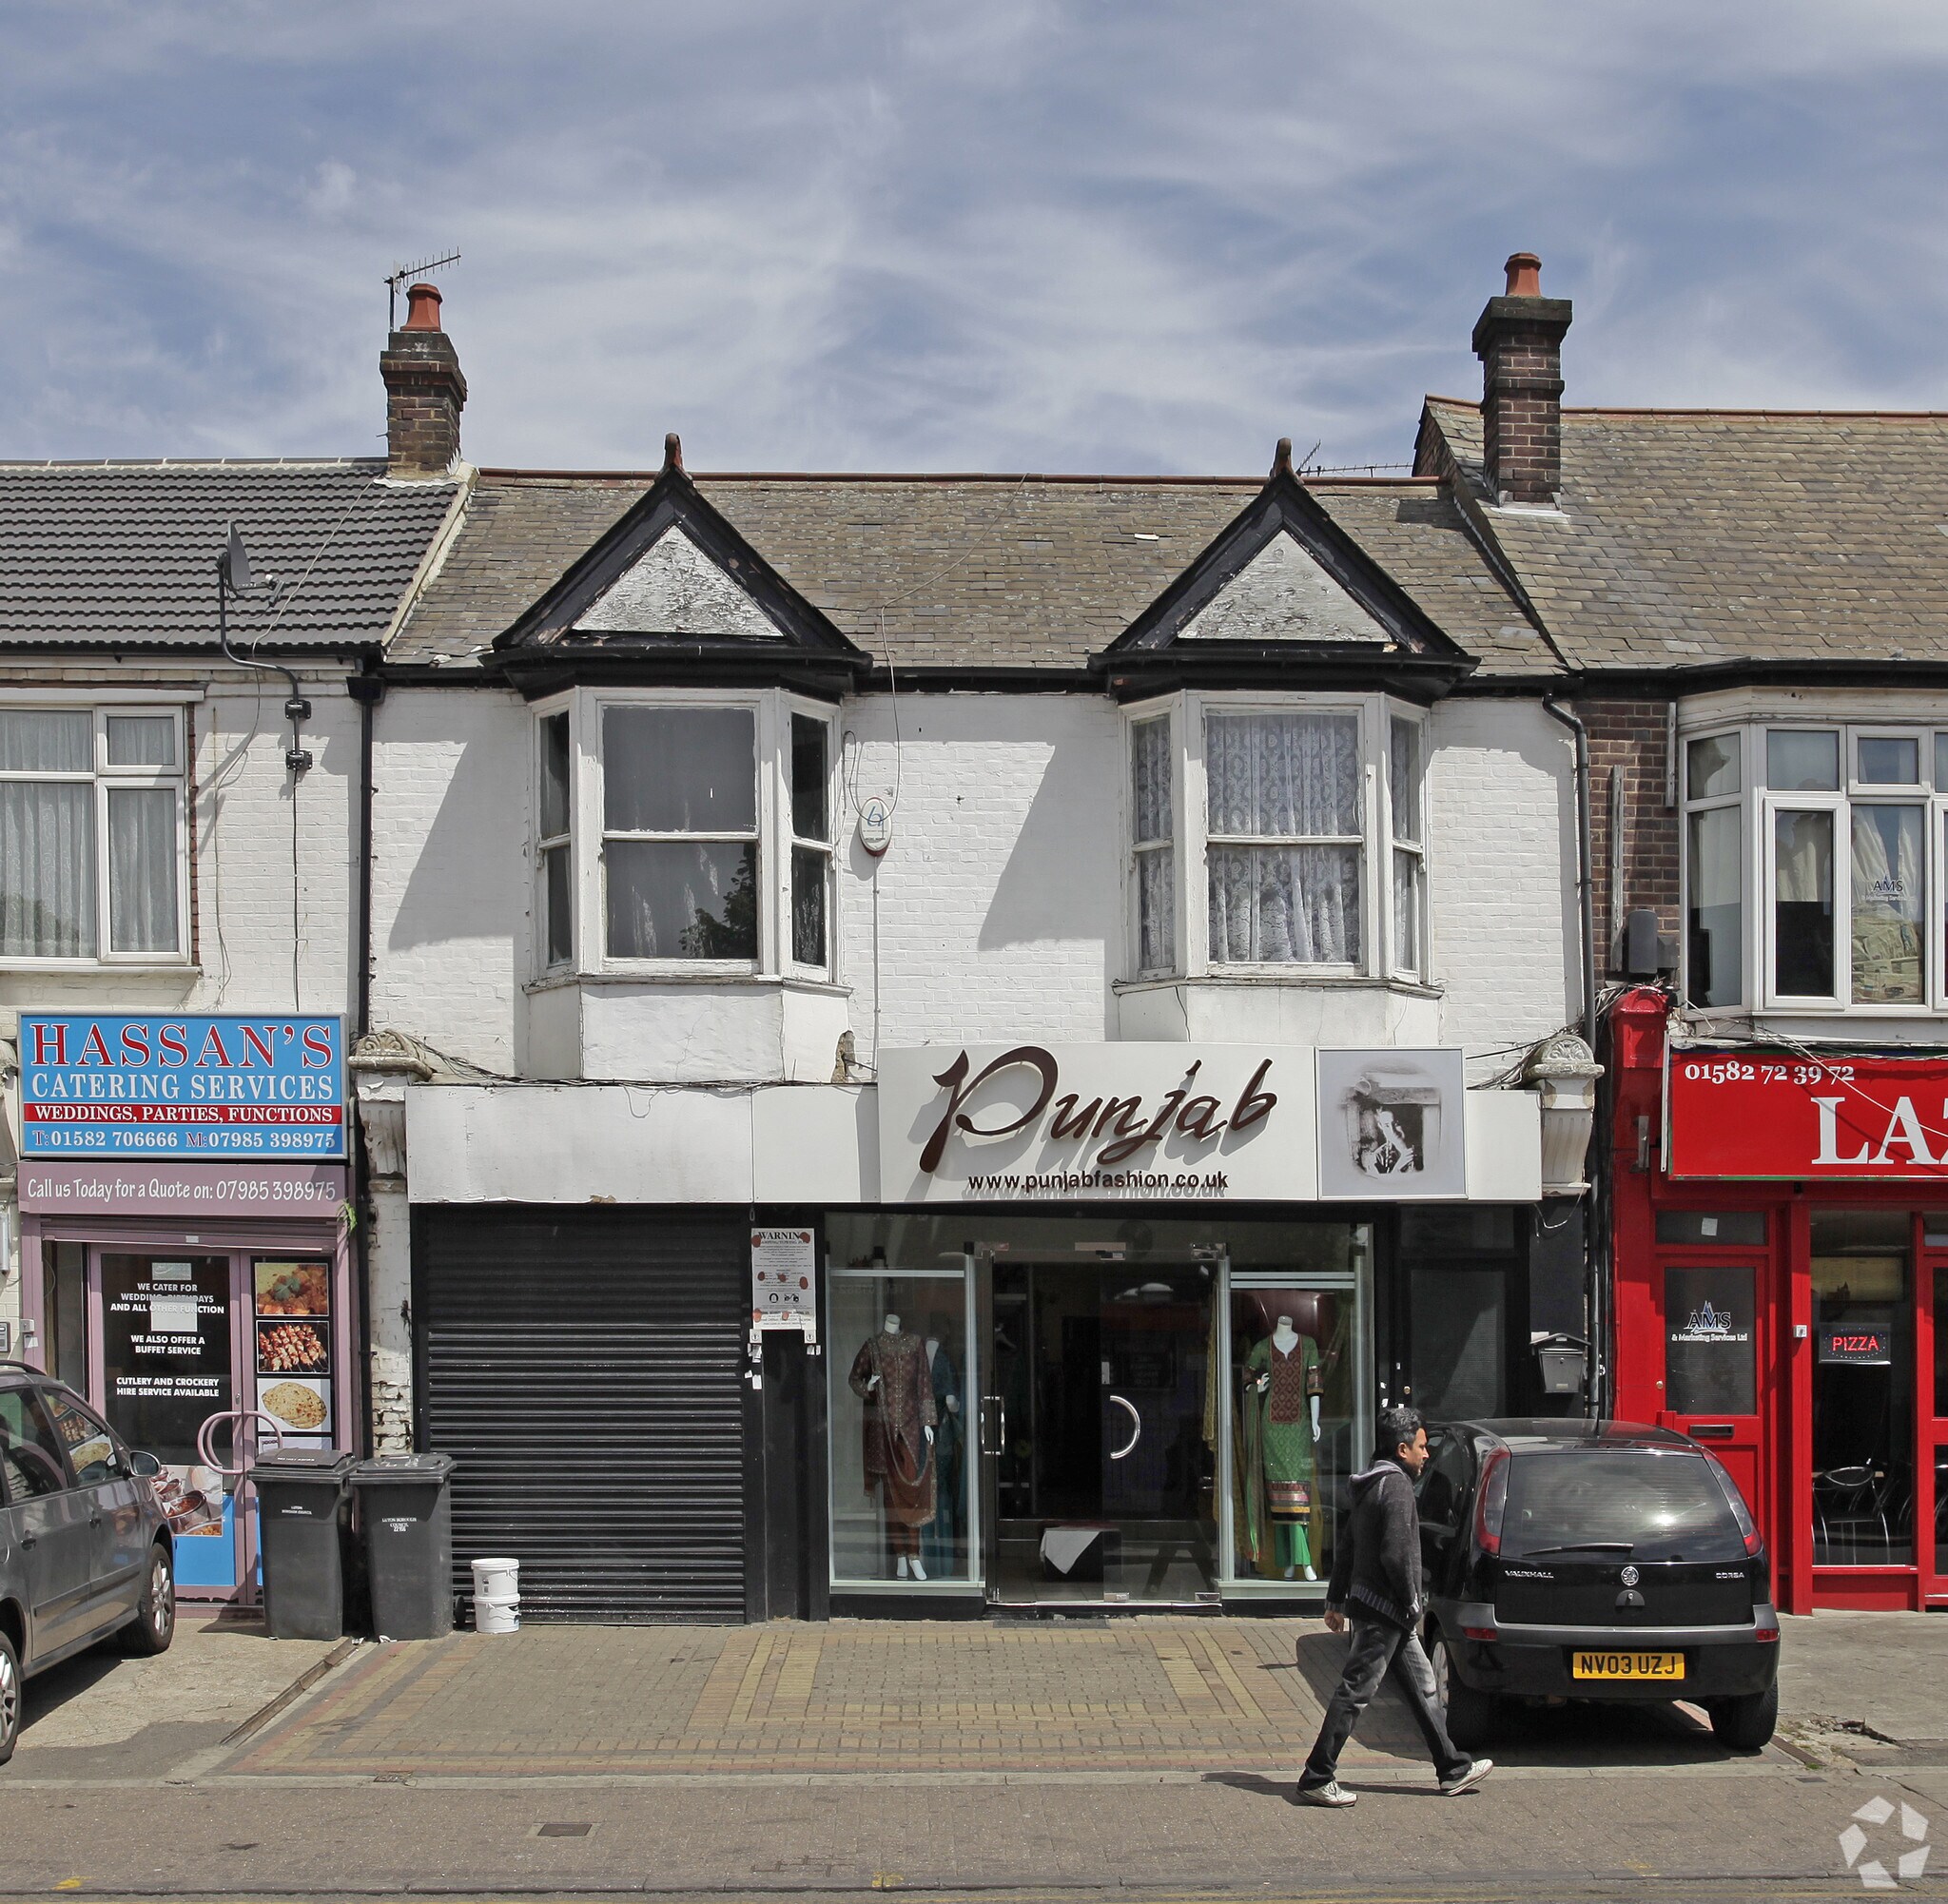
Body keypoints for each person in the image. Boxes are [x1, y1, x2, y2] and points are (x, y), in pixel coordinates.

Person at [1295, 1404, 1492, 1807]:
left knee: (1424, 1688)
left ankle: (1451, 1769)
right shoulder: (1398, 1486)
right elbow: (1397, 1555)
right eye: (1421, 1447)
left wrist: (1336, 1600)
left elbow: (1348, 1546)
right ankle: (1317, 1775)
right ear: (1402, 1450)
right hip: (1386, 1611)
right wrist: (1411, 1603)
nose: (1426, 1454)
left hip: (1375, 1607)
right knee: (1355, 1693)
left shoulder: (1370, 1484)